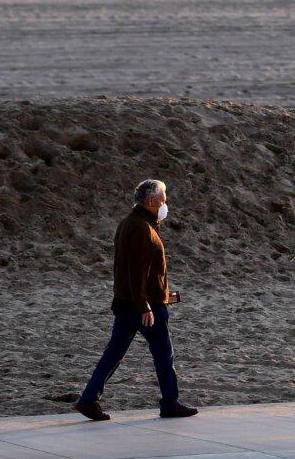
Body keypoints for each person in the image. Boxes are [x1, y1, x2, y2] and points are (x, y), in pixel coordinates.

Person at [74, 179, 198, 421]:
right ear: (150, 201)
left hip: (126, 303)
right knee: (163, 354)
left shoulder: (132, 223)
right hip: (143, 306)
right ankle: (170, 403)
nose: (165, 204)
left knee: (114, 353)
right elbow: (136, 271)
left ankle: (88, 399)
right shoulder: (141, 228)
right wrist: (145, 305)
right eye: (162, 199)